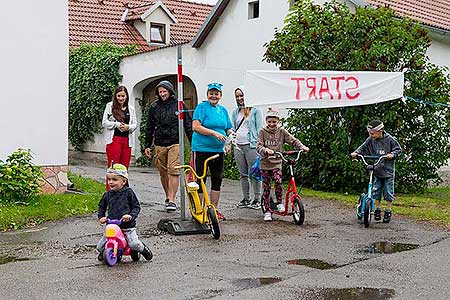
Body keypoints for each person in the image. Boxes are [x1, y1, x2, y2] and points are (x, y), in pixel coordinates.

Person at [144, 80, 193, 212]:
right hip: (159, 143)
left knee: (173, 170)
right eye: (160, 92)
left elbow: (188, 124)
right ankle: (167, 196)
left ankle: (172, 199)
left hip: (175, 142)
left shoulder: (179, 105)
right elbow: (149, 127)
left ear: (170, 91)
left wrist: (192, 143)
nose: (162, 94)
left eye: (164, 91)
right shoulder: (154, 107)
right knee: (163, 171)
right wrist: (147, 145)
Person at [257, 108, 310, 222]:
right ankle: (267, 211)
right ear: (266, 121)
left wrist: (302, 147)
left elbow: (293, 140)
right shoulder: (262, 131)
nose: (272, 124)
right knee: (266, 188)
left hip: (277, 163)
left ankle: (279, 203)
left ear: (278, 121)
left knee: (278, 181)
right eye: (269, 122)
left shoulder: (281, 132)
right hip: (265, 164)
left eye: (274, 122)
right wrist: (266, 150)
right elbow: (259, 147)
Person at [191, 82, 233, 221]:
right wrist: (214, 133)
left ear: (220, 95)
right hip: (201, 148)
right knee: (200, 179)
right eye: (211, 93)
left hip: (218, 150)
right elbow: (196, 127)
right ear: (207, 94)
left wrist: (231, 137)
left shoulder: (223, 110)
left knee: (217, 179)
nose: (213, 96)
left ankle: (213, 210)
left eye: (216, 94)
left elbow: (228, 128)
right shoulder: (201, 107)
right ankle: (200, 210)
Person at [96, 163, 152, 261]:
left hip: (127, 227)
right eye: (109, 179)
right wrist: (101, 217)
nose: (110, 182)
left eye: (114, 179)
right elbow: (101, 206)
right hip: (112, 226)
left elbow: (136, 207)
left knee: (134, 244)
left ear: (124, 181)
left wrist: (130, 216)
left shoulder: (128, 192)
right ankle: (106, 252)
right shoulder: (107, 194)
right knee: (99, 246)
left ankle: (144, 250)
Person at [351, 120, 401, 223]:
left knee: (388, 191)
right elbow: (363, 146)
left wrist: (392, 154)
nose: (371, 135)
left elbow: (398, 150)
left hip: (388, 171)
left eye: (372, 133)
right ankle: (377, 209)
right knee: (376, 190)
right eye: (369, 133)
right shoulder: (371, 139)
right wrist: (356, 152)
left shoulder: (390, 139)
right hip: (377, 169)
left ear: (380, 131)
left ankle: (388, 210)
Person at [231, 86, 263, 209]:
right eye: (237, 96)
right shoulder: (235, 112)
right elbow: (233, 128)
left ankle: (257, 199)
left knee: (254, 172)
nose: (239, 98)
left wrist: (260, 145)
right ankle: (246, 198)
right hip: (238, 145)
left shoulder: (255, 110)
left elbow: (260, 128)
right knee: (243, 174)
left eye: (241, 95)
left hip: (252, 145)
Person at [102, 86, 137, 190]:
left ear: (126, 96)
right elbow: (104, 122)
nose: (121, 98)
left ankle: (124, 192)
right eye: (119, 96)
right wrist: (116, 124)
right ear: (115, 96)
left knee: (124, 168)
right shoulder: (110, 106)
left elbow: (135, 124)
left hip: (126, 141)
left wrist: (128, 127)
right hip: (114, 140)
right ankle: (110, 192)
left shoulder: (131, 109)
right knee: (113, 167)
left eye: (123, 96)